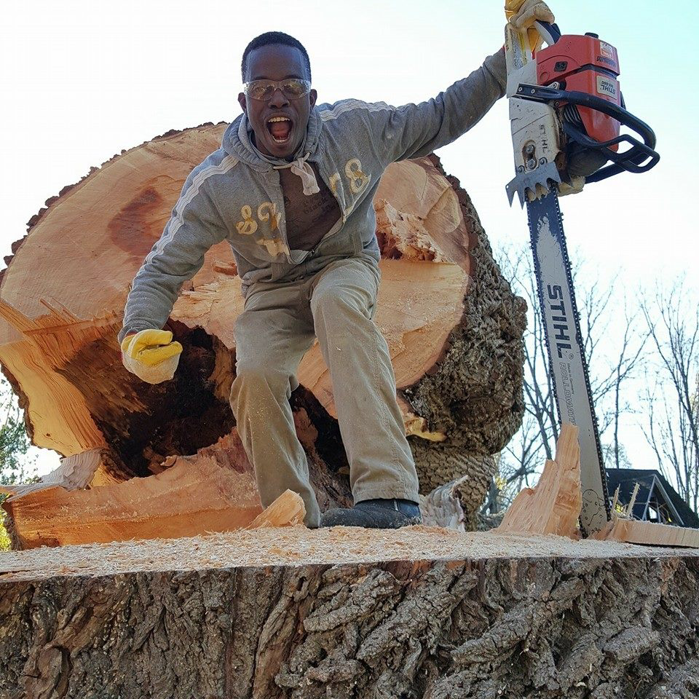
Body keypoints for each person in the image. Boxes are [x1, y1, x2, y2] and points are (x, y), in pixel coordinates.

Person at [120, 0, 554, 529]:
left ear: (312, 95)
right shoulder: (217, 185)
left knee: (337, 303)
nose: (277, 98)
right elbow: (165, 264)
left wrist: (507, 58)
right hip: (271, 293)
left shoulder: (357, 129)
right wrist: (137, 332)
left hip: (344, 264)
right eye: (262, 88)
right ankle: (292, 514)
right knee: (255, 374)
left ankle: (390, 493)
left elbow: (442, 115)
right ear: (243, 101)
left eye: (291, 86)